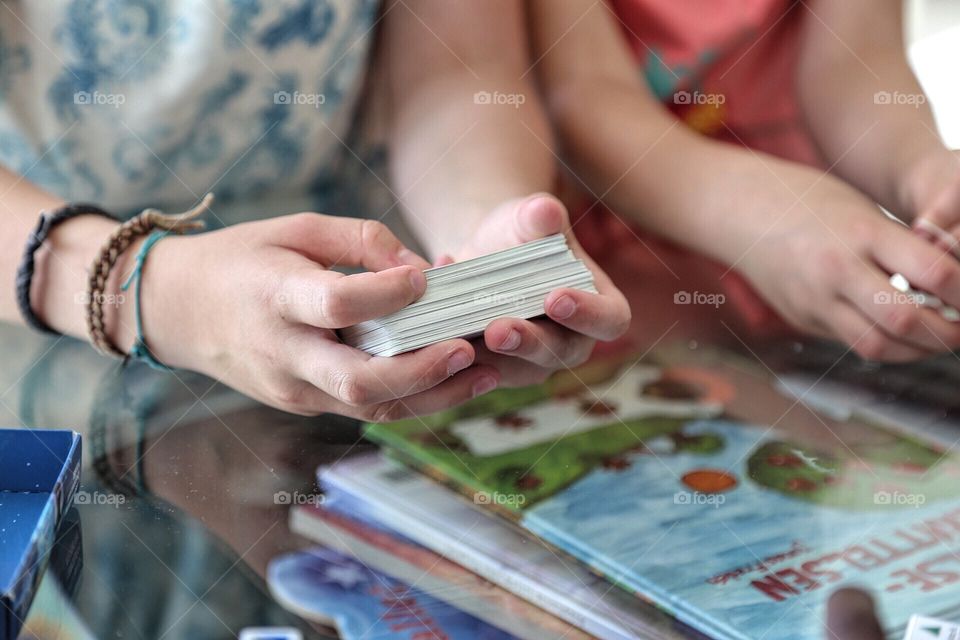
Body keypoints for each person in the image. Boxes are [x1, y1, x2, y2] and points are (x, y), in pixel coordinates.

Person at [0, 0, 629, 420]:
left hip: (340, 312)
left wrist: (487, 241)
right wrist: (152, 292)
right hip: (44, 324)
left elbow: (458, 70)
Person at [529, 0, 960, 362]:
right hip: (621, 254)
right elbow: (584, 96)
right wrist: (767, 217)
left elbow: (854, 60)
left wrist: (924, 169)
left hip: (810, 253)